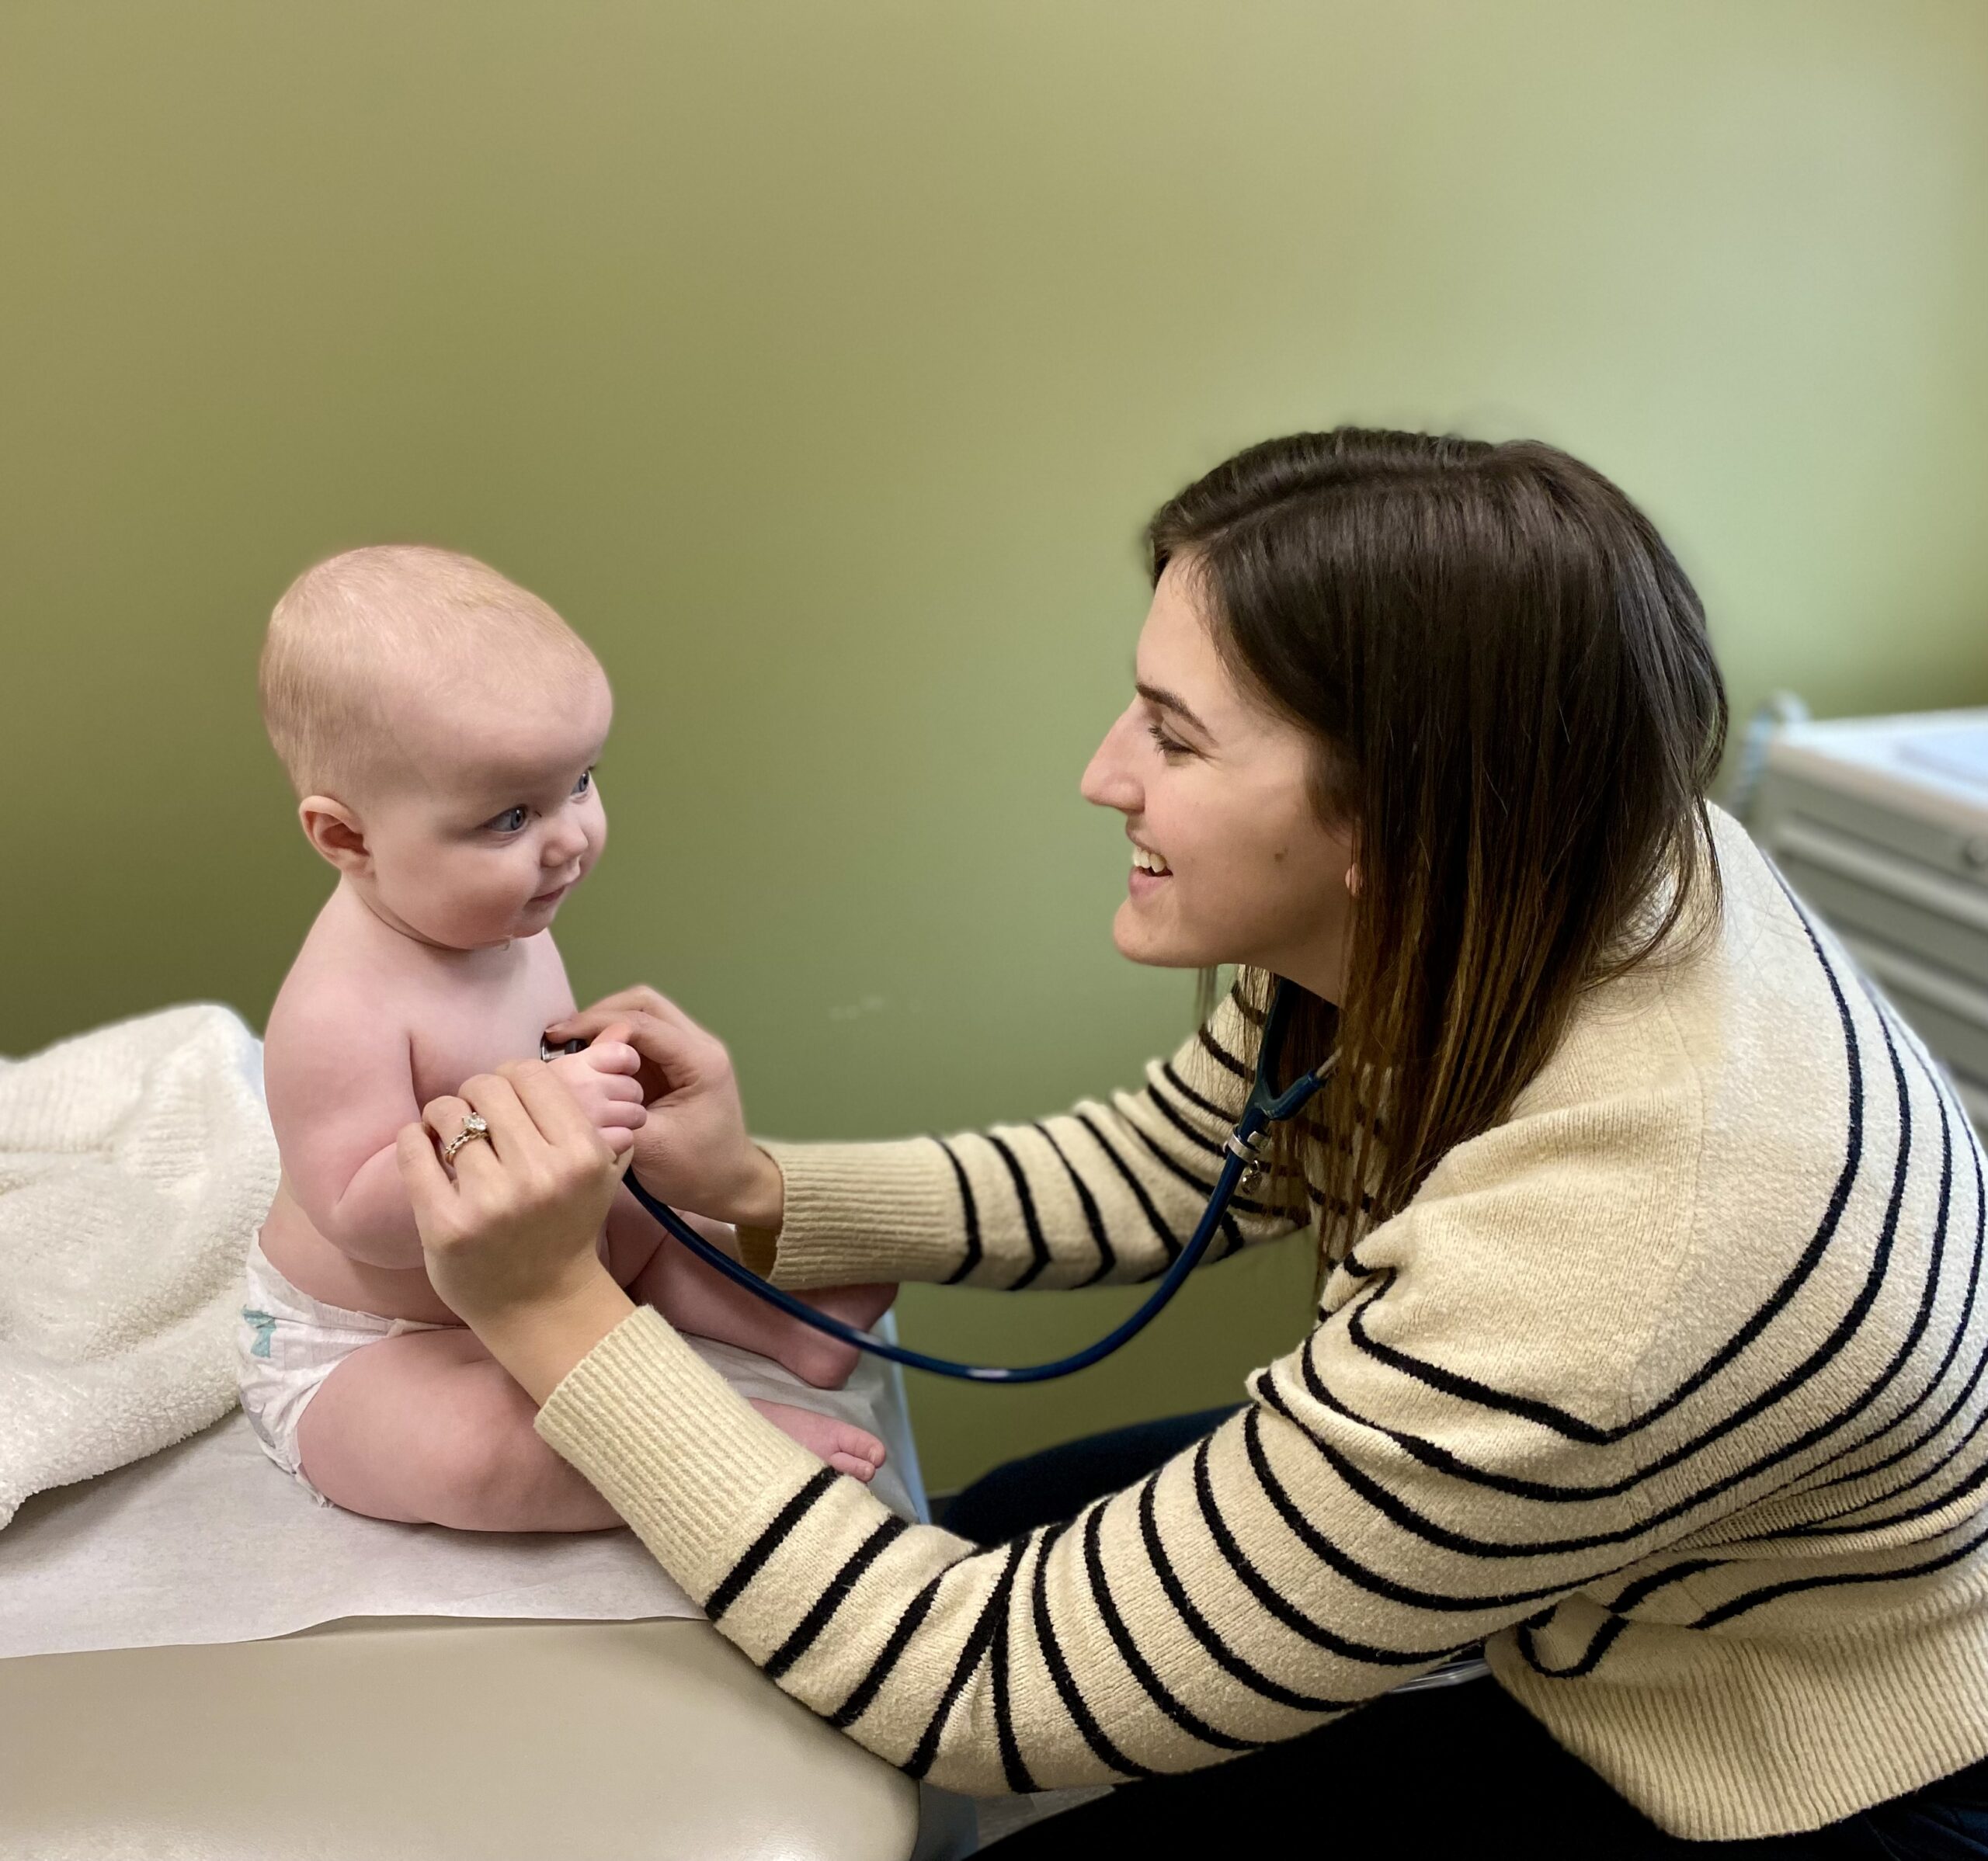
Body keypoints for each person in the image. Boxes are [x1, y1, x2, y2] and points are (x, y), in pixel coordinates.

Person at [392, 431, 1988, 1851]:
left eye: (1173, 731)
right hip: (1598, 1540)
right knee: (989, 1515)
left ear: (1396, 814)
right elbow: (1179, 1163)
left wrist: (546, 1314)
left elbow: (986, 1682)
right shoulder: (1529, 856)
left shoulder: (1619, 1261)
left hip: (1760, 1747)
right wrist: (757, 1191)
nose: (1102, 774)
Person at [239, 544, 892, 1529]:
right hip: (379, 1334)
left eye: (580, 782)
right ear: (347, 839)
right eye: (510, 817)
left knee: (640, 1223)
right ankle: (703, 1452)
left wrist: (600, 1077)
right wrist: (544, 1120)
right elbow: (359, 1216)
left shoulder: (502, 922)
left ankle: (783, 1333)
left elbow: (540, 1064)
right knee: (469, 1454)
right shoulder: (342, 1007)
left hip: (538, 1269)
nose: (571, 838)